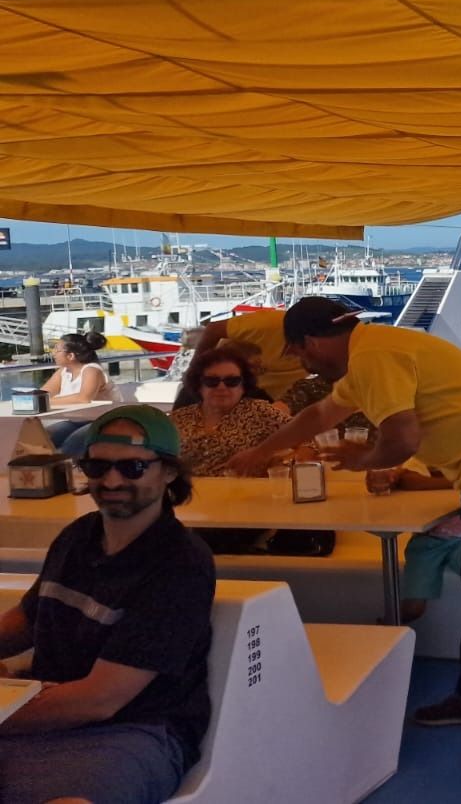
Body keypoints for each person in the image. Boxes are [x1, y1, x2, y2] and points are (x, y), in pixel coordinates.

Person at [226, 297, 461, 767]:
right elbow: (319, 417)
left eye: (299, 354)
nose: (302, 363)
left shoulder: (373, 356)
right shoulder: (369, 355)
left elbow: (403, 438)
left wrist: (360, 461)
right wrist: (260, 452)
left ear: (313, 341)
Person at [0, 405, 215, 804]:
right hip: (48, 711)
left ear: (168, 472)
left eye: (132, 467)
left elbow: (100, 699)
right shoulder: (78, 536)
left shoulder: (180, 564)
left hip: (135, 731)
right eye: (97, 468)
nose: (111, 480)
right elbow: (31, 619)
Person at [169, 348, 288, 477]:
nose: (221, 387)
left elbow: (306, 439)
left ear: (243, 386)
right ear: (199, 385)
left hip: (242, 493)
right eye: (212, 381)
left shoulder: (260, 412)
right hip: (187, 493)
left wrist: (277, 461)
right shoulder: (178, 418)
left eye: (232, 381)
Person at [195, 309, 308, 401]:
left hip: (262, 401)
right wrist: (196, 372)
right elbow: (213, 330)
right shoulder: (270, 323)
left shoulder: (319, 358)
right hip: (214, 388)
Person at [40, 331, 115, 406]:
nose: (53, 353)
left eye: (56, 350)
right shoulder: (64, 371)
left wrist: (44, 402)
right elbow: (44, 393)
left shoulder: (92, 370)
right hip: (77, 414)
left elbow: (84, 399)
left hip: (103, 415)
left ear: (70, 356)